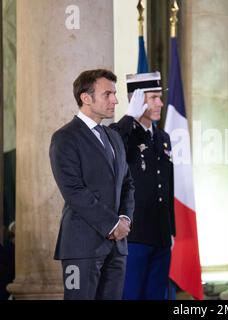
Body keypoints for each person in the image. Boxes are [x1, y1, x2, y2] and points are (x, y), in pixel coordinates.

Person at [49, 69, 135, 300]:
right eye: (107, 94)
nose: (115, 100)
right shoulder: (65, 138)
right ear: (86, 98)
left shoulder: (114, 136)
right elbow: (74, 191)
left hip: (117, 247)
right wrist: (111, 224)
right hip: (81, 247)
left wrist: (125, 219)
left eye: (114, 94)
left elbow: (127, 183)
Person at [110, 71, 175, 300]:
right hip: (135, 234)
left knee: (156, 295)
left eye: (160, 97)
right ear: (137, 100)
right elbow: (112, 146)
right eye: (153, 97)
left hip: (160, 233)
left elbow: (168, 185)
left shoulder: (163, 137)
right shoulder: (123, 133)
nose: (161, 103)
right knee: (131, 294)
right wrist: (130, 116)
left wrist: (172, 229)